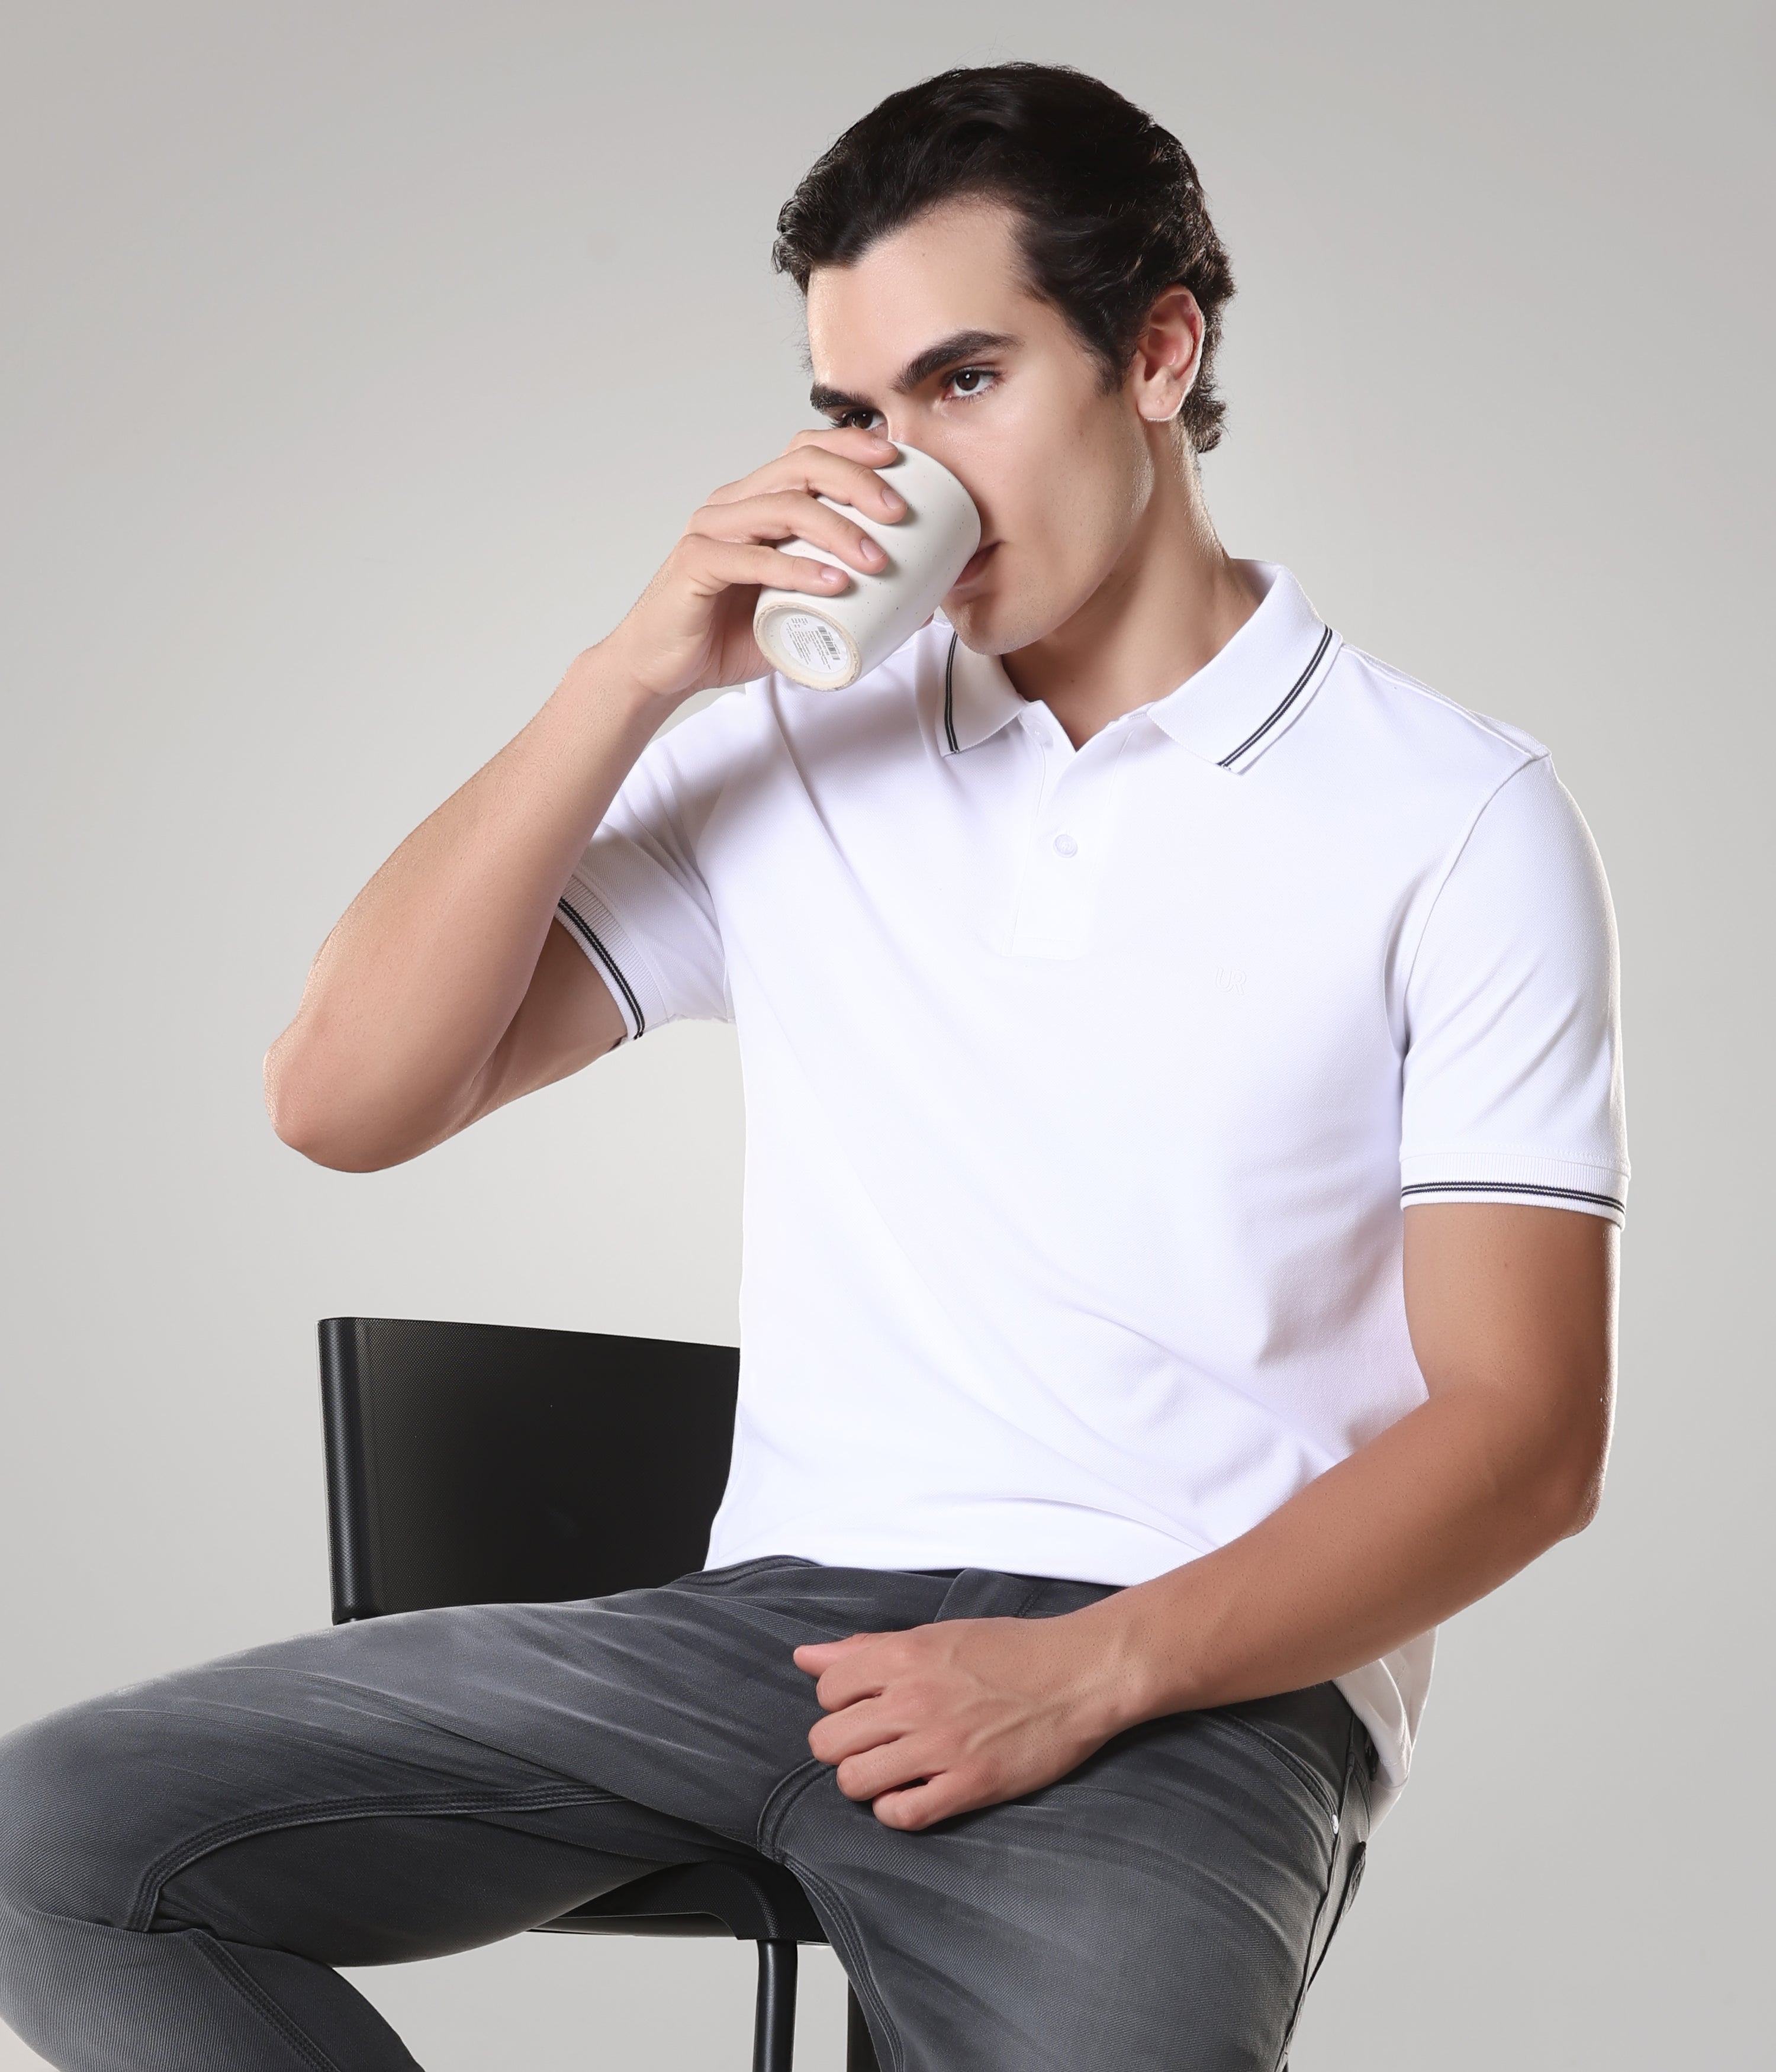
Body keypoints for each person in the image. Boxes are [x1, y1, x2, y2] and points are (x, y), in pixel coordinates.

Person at [0, 62, 1627, 2072]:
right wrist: (629, 673)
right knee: (47, 1845)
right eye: (853, 411)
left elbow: (1526, 1436)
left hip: (1189, 1676)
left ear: (1156, 351)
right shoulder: (783, 743)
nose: (897, 465)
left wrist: (1085, 1673)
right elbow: (341, 1094)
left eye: (963, 383)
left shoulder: (1454, 814)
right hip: (763, 1634)